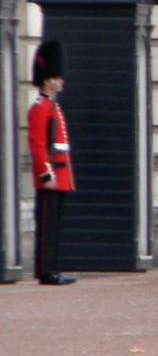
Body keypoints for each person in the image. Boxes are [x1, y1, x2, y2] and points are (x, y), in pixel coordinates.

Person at [28, 40, 77, 285]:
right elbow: (38, 145)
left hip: (60, 175)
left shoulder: (52, 106)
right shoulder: (40, 108)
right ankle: (46, 270)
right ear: (48, 79)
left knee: (54, 224)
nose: (61, 81)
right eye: (58, 77)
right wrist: (46, 174)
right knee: (47, 226)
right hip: (50, 177)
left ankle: (51, 267)